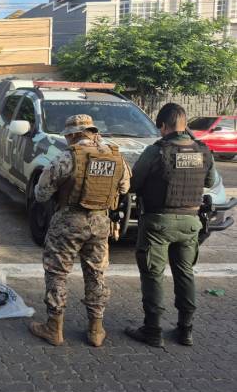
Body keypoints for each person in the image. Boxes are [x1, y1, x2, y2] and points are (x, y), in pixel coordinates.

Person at [29, 114, 130, 347]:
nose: (66, 140)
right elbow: (125, 187)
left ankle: (54, 327)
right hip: (100, 222)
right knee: (96, 273)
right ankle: (96, 329)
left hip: (68, 222)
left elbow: (41, 193)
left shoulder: (67, 157)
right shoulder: (115, 156)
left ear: (74, 134)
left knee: (57, 272)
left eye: (67, 136)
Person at [125, 103, 216, 347]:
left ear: (164, 126)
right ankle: (185, 330)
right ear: (184, 124)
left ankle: (152, 330)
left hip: (158, 223)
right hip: (190, 223)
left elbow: (133, 183)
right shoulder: (203, 150)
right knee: (185, 273)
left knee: (153, 274)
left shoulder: (156, 151)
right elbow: (210, 181)